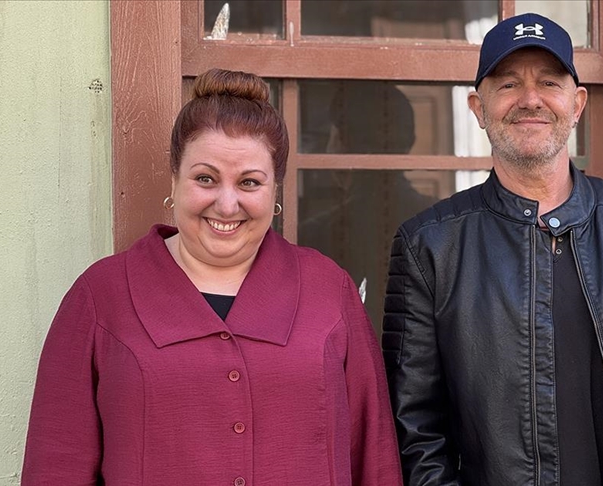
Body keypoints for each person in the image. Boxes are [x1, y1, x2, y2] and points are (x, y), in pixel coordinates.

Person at [382, 13, 603, 486]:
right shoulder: (430, 246)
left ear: (577, 103)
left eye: (549, 82)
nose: (530, 99)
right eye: (508, 84)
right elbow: (414, 424)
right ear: (478, 108)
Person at [22, 68, 402, 485]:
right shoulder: (101, 296)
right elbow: (56, 466)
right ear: (174, 179)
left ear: (275, 191)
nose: (226, 204)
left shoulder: (328, 291)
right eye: (206, 178)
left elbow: (376, 460)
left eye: (249, 182)